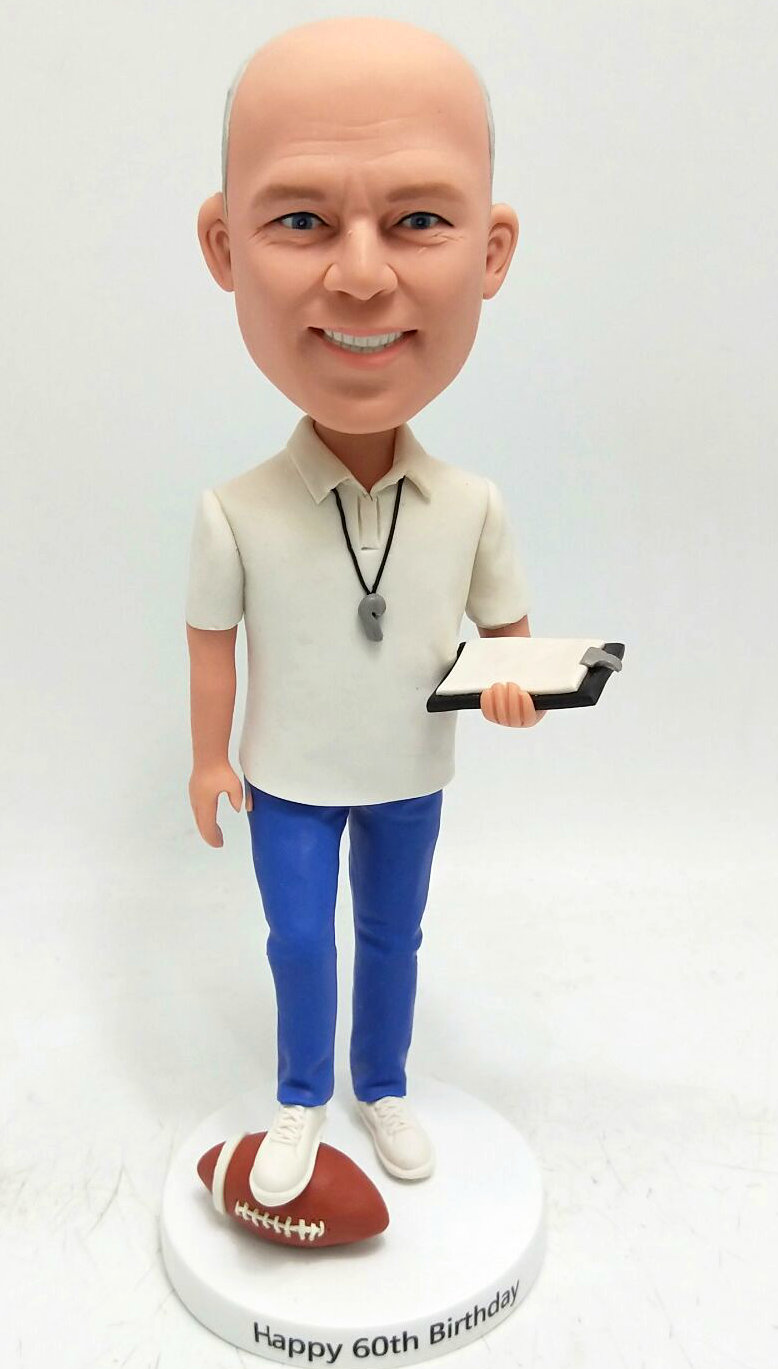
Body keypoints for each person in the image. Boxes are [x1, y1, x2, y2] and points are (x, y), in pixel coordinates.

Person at [186, 16, 545, 1207]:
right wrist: (207, 758)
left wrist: (517, 690)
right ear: (222, 243)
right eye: (299, 219)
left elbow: (510, 643)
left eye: (418, 219)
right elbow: (210, 643)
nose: (358, 274)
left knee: (394, 935)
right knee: (299, 937)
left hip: (408, 772)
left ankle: (380, 1082)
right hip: (286, 777)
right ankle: (301, 1096)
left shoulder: (470, 504)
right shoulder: (234, 510)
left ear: (491, 250)